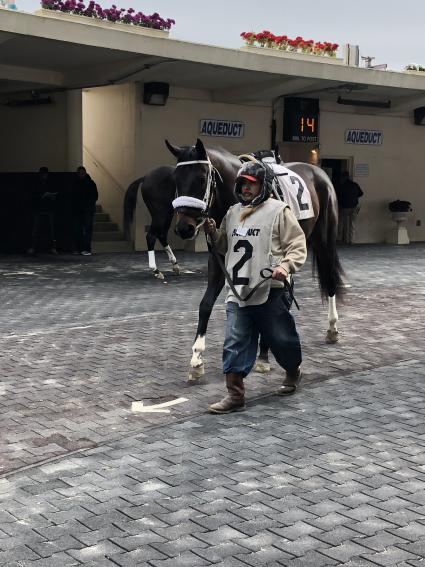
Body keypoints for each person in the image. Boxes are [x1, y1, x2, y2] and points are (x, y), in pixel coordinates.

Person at [204, 161, 307, 414]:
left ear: (263, 185)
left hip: (269, 288)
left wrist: (286, 266)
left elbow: (297, 244)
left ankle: (293, 370)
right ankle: (235, 395)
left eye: (251, 184)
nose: (246, 188)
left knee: (282, 339)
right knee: (234, 340)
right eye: (242, 184)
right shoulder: (232, 212)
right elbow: (224, 247)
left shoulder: (279, 211)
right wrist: (214, 233)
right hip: (238, 291)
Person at [27, 167, 58, 255]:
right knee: (36, 229)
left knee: (51, 229)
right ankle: (33, 247)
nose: (45, 175)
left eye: (46, 174)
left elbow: (55, 195)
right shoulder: (36, 184)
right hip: (39, 209)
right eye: (43, 174)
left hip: (48, 208)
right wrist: (42, 196)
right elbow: (32, 196)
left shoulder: (50, 183)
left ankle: (53, 247)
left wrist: (51, 196)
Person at [72, 166, 98, 256]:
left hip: (86, 210)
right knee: (79, 230)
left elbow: (94, 197)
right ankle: (83, 249)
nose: (81, 175)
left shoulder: (89, 183)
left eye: (82, 173)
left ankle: (85, 248)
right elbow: (94, 197)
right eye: (80, 173)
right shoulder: (89, 183)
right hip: (82, 210)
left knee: (85, 230)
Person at [338, 171, 364, 244]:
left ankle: (340, 239)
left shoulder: (342, 186)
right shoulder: (355, 184)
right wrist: (354, 197)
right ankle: (351, 240)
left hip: (345, 206)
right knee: (352, 224)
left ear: (343, 177)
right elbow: (361, 193)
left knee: (342, 223)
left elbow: (339, 196)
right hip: (355, 206)